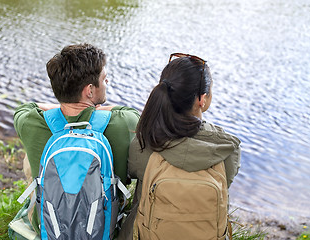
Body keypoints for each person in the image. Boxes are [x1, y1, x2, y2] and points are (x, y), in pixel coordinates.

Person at [13, 43, 140, 234]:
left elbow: (26, 107)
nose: (107, 83)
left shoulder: (29, 122)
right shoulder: (124, 123)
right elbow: (130, 112)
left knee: (31, 162)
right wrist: (95, 110)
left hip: (49, 227)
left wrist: (63, 105)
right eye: (104, 79)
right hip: (105, 227)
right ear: (89, 90)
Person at [118, 53, 241, 239]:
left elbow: (132, 171)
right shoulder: (226, 147)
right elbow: (227, 181)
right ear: (202, 99)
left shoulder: (145, 140)